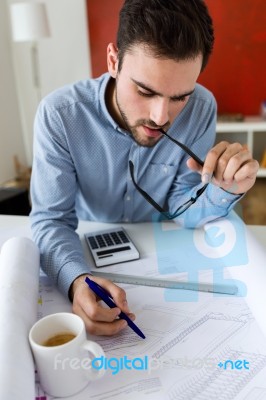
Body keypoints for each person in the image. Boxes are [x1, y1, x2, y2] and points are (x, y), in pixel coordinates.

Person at [30, 0, 259, 336]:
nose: (160, 116)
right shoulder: (60, 115)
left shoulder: (201, 107)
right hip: (88, 249)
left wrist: (226, 189)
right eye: (145, 91)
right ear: (113, 61)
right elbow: (51, 219)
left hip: (166, 260)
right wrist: (77, 280)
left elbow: (183, 205)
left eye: (180, 96)